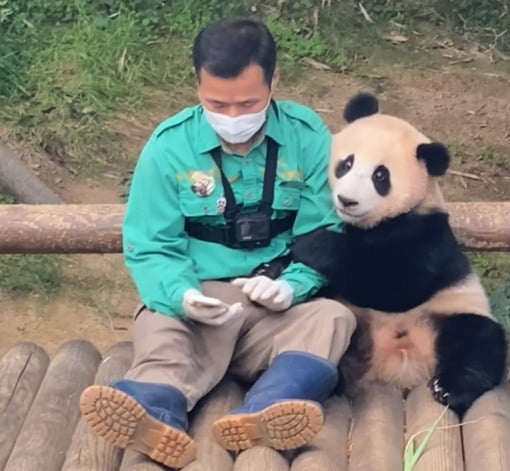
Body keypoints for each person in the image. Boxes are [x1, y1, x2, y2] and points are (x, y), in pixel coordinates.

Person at [79, 17, 356, 469]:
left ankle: (267, 408)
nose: (232, 118)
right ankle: (153, 410)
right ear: (197, 86)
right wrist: (182, 295)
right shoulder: (168, 147)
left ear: (274, 82)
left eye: (247, 103)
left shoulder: (307, 137)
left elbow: (324, 230)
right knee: (162, 330)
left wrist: (294, 285)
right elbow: (150, 244)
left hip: (274, 306)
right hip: (199, 302)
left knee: (332, 317)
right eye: (216, 103)